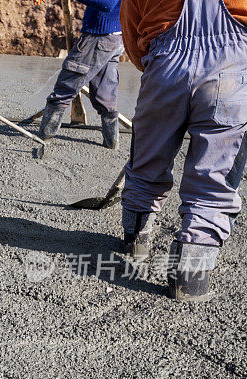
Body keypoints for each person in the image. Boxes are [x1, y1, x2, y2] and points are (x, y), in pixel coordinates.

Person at [119, 0, 247, 301]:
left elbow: (131, 30)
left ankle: (135, 243)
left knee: (146, 161)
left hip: (165, 65)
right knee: (214, 177)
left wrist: (158, 66)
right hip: (232, 70)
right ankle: (191, 278)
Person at [38, 0, 124, 149]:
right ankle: (112, 143)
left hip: (99, 36)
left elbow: (107, 4)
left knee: (66, 86)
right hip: (114, 36)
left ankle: (43, 138)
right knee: (106, 92)